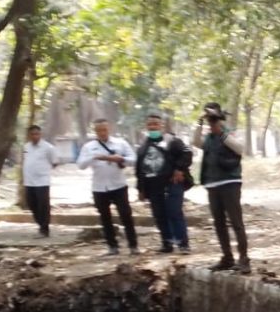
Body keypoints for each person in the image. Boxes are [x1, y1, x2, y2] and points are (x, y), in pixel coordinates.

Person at [192, 103, 251, 274]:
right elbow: (196, 142)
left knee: (236, 222)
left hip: (230, 183)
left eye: (213, 117)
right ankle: (227, 257)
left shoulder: (229, 132)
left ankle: (244, 259)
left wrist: (221, 132)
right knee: (219, 224)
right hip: (212, 184)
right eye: (209, 117)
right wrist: (199, 122)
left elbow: (240, 149)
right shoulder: (209, 137)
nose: (211, 121)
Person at [76, 119, 139, 256]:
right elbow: (80, 165)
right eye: (99, 130)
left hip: (119, 185)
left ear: (109, 129)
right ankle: (112, 246)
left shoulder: (120, 143)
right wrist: (94, 157)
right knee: (105, 218)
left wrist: (120, 158)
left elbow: (134, 160)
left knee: (126, 215)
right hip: (99, 187)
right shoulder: (89, 147)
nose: (102, 133)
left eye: (104, 129)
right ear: (95, 131)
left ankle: (133, 246)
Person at [134, 113, 193, 254]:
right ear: (146, 127)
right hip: (153, 187)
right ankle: (167, 243)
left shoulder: (172, 141)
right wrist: (141, 189)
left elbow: (187, 153)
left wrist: (179, 169)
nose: (153, 127)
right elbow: (139, 169)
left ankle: (183, 244)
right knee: (159, 215)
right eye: (150, 124)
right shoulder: (143, 146)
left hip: (172, 183)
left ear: (162, 126)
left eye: (155, 124)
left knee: (174, 212)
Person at [21, 125, 59, 238]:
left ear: (40, 134)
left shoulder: (48, 148)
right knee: (31, 204)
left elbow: (55, 162)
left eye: (37, 134)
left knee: (43, 205)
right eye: (32, 134)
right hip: (29, 181)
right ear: (29, 135)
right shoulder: (26, 147)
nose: (35, 136)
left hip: (42, 181)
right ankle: (40, 224)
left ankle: (44, 229)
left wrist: (43, 170)